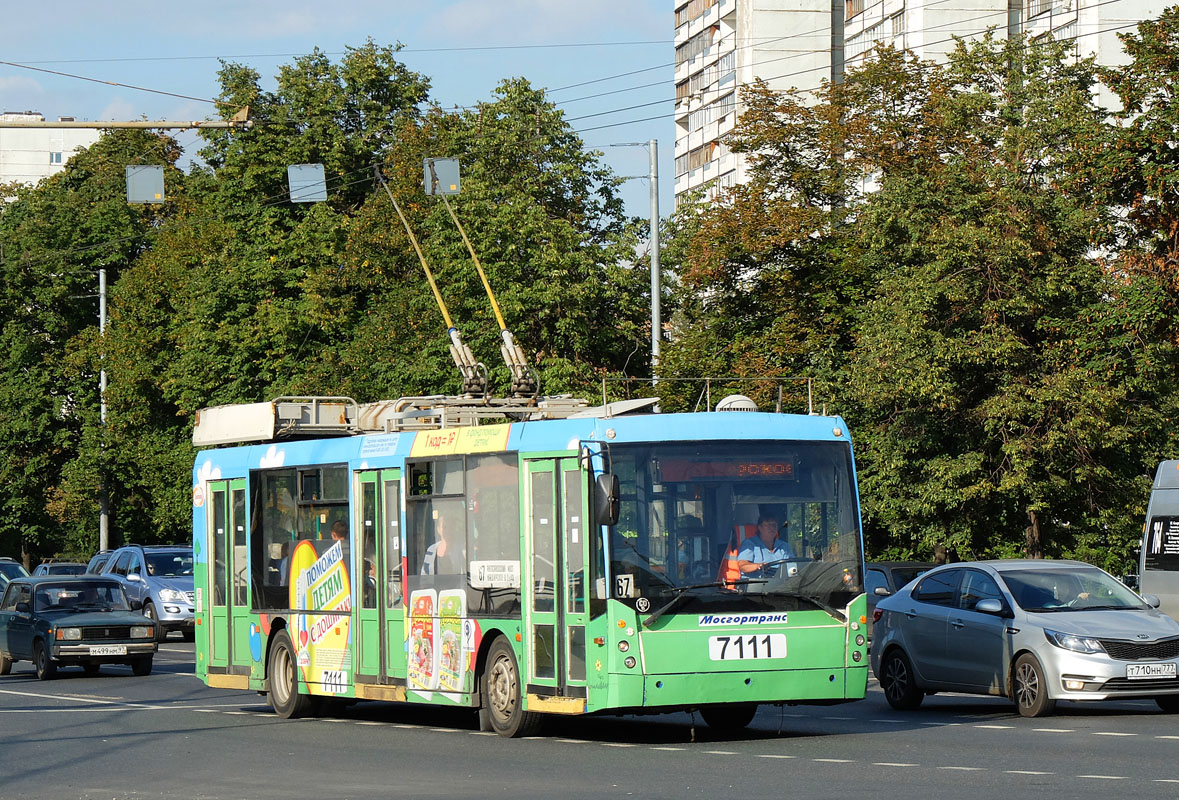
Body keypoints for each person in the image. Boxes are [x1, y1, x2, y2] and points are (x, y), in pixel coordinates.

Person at [421, 508, 465, 575]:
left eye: (451, 527)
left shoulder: (463, 549)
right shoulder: (431, 549)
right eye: (444, 527)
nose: (447, 530)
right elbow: (425, 574)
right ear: (438, 529)